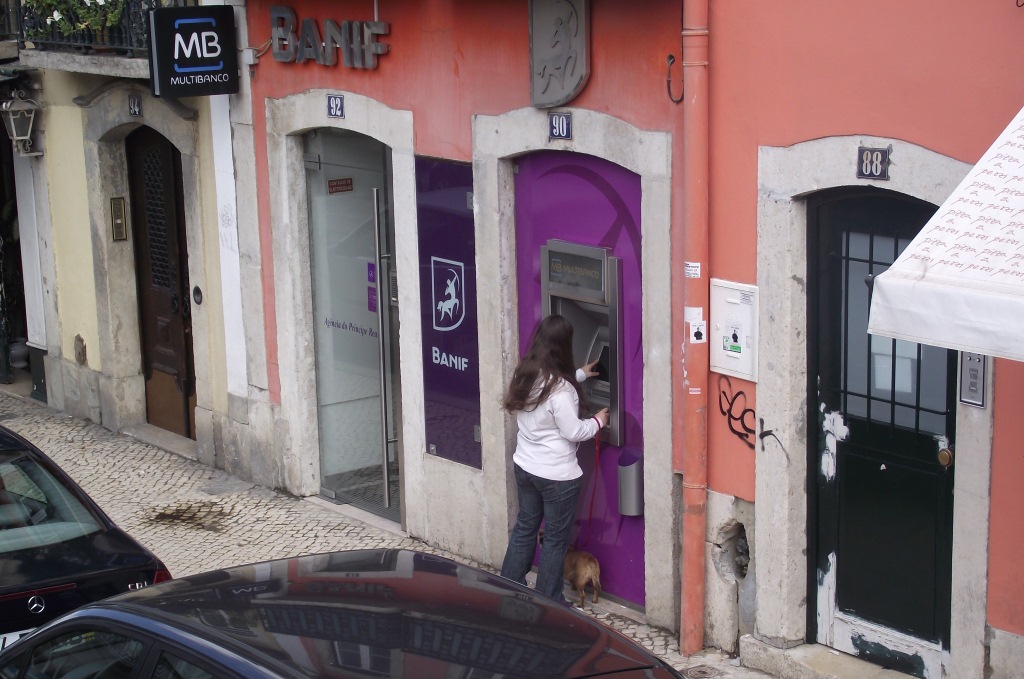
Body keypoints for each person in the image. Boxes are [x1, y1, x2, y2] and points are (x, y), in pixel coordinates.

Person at [499, 314, 609, 603]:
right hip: (557, 478)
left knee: (525, 527)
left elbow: (548, 394)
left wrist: (580, 375)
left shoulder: (525, 374)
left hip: (526, 467)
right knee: (555, 540)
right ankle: (549, 602)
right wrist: (598, 421)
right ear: (564, 346)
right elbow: (573, 431)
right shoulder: (562, 391)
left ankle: (509, 589)